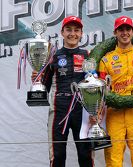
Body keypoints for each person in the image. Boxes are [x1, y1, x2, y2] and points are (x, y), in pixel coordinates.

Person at [32, 16, 93, 167]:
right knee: (57, 155)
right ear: (62, 32)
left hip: (82, 110)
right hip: (59, 108)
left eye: (76, 30)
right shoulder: (52, 57)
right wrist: (36, 78)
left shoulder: (88, 55)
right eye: (69, 30)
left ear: (81, 33)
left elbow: (96, 84)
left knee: (85, 155)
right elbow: (44, 87)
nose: (73, 33)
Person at [98, 16, 133, 167]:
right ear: (115, 32)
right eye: (120, 29)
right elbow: (100, 90)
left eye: (128, 29)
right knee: (113, 157)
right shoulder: (106, 60)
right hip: (114, 112)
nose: (124, 33)